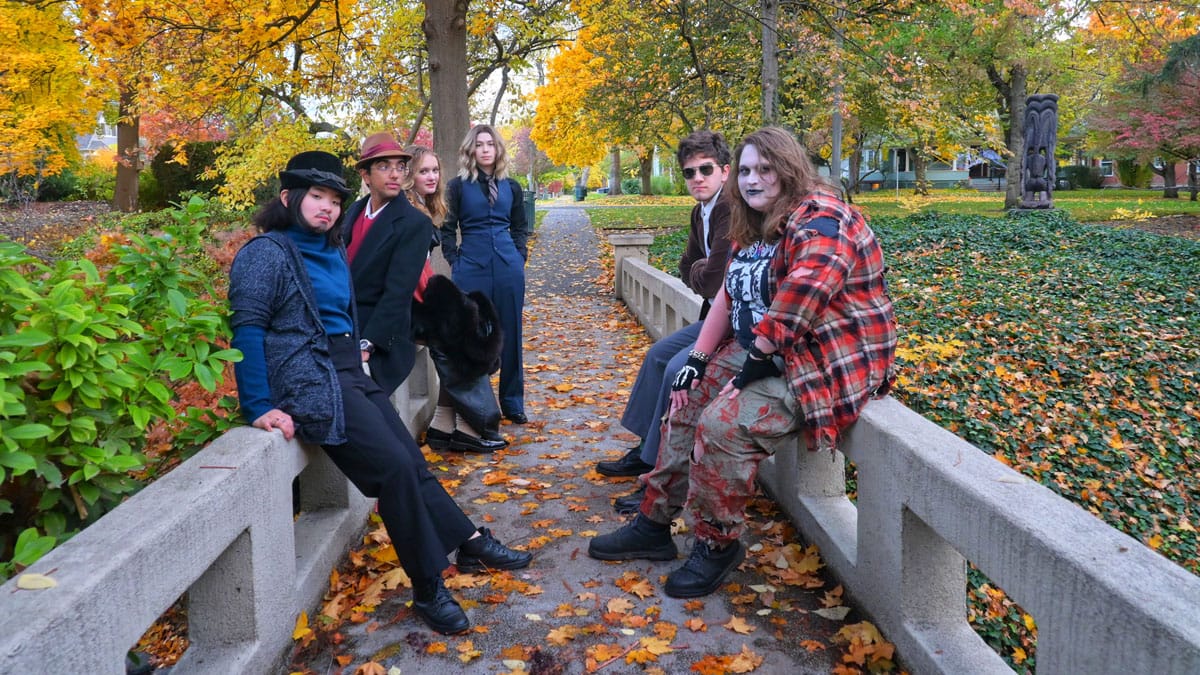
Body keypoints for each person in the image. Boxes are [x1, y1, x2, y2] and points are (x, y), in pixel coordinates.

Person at [229, 150, 532, 635]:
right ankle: (429, 586)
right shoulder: (265, 254)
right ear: (288, 198)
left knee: (411, 462)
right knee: (393, 471)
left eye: (333, 199)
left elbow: (348, 312)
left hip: (349, 367)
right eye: (316, 197)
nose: (327, 207)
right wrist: (260, 406)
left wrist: (362, 353)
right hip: (311, 377)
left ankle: (467, 541)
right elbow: (246, 331)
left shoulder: (329, 249)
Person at [587, 127, 897, 598]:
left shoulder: (823, 215)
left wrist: (761, 355)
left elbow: (808, 288)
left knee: (723, 426)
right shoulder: (754, 223)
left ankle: (716, 543)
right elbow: (730, 294)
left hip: (817, 359)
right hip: (764, 348)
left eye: (764, 169)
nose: (753, 180)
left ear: (789, 168)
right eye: (747, 171)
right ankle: (652, 523)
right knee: (685, 396)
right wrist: (697, 358)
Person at [596, 131, 734, 516]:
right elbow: (688, 266)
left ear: (725, 171)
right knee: (658, 355)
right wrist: (699, 270)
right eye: (690, 173)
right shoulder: (699, 211)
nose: (697, 179)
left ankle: (659, 474)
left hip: (733, 325)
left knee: (678, 369)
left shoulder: (730, 209)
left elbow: (710, 279)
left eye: (706, 169)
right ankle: (645, 452)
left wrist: (699, 270)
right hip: (712, 317)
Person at [403, 144, 507, 453]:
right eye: (423, 171)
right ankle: (474, 424)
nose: (432, 176)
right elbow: (410, 274)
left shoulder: (422, 208)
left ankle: (442, 425)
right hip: (406, 307)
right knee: (464, 336)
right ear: (409, 176)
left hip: (418, 298)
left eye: (435, 170)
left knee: (475, 318)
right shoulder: (408, 213)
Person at [441, 125, 530, 424]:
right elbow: (446, 228)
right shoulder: (456, 186)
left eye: (490, 144)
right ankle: (478, 406)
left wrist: (519, 257)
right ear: (471, 150)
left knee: (511, 333)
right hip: (472, 267)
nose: (485, 149)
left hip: (508, 267)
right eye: (479, 144)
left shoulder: (512, 186)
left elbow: (520, 226)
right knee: (474, 336)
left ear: (498, 149)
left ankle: (513, 402)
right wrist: (456, 261)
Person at [340, 132, 428, 396]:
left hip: (379, 334)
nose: (395, 174)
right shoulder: (351, 212)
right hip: (341, 325)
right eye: (384, 166)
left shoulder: (414, 223)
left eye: (400, 167)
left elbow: (398, 293)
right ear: (365, 176)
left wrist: (368, 343)